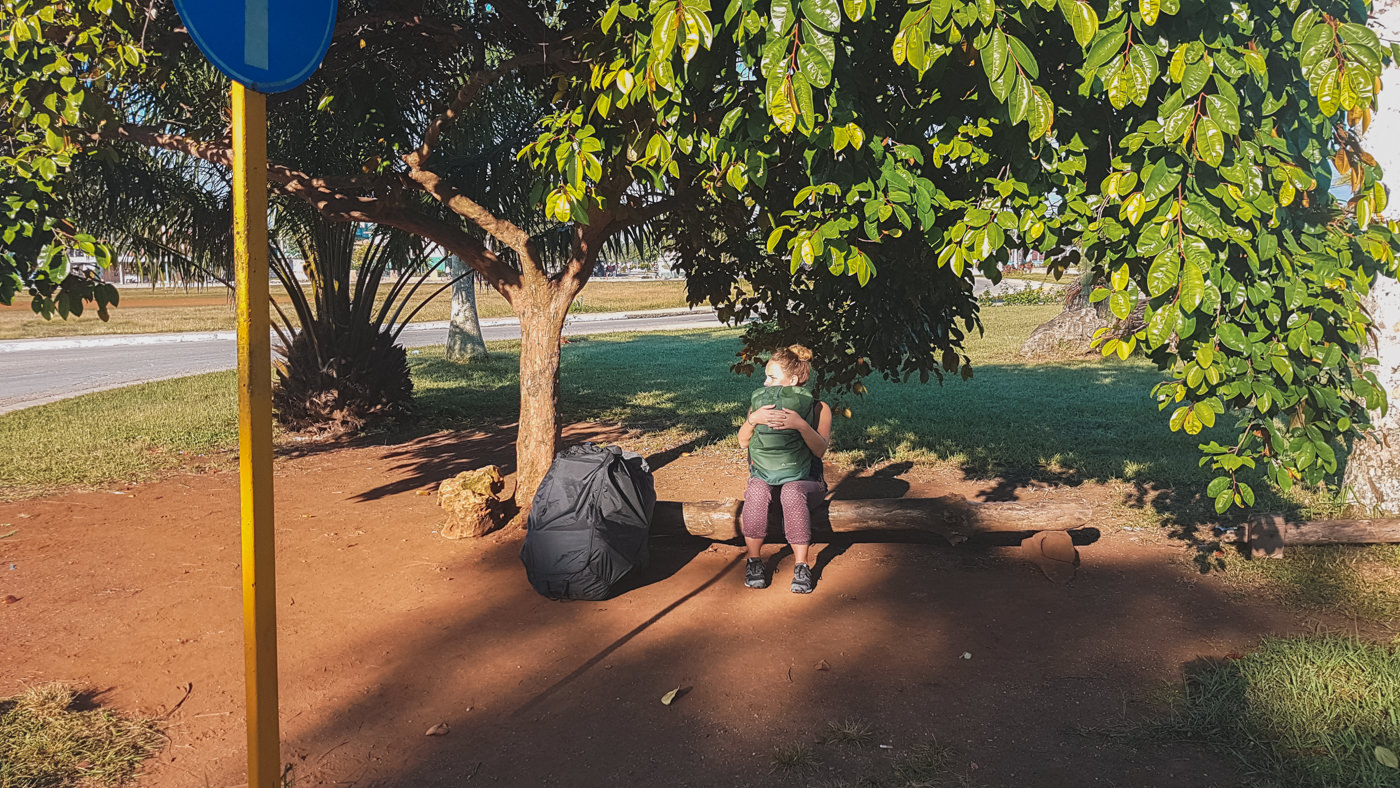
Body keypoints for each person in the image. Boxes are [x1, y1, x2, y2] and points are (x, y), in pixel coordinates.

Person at [737, 344, 833, 593]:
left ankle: (802, 565)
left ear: (792, 379)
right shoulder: (761, 404)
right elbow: (742, 442)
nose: (766, 383)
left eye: (772, 377)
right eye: (766, 377)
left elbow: (820, 450)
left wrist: (800, 424)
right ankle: (754, 560)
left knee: (791, 491)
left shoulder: (818, 408)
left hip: (805, 481)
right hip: (767, 480)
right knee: (756, 490)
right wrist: (753, 419)